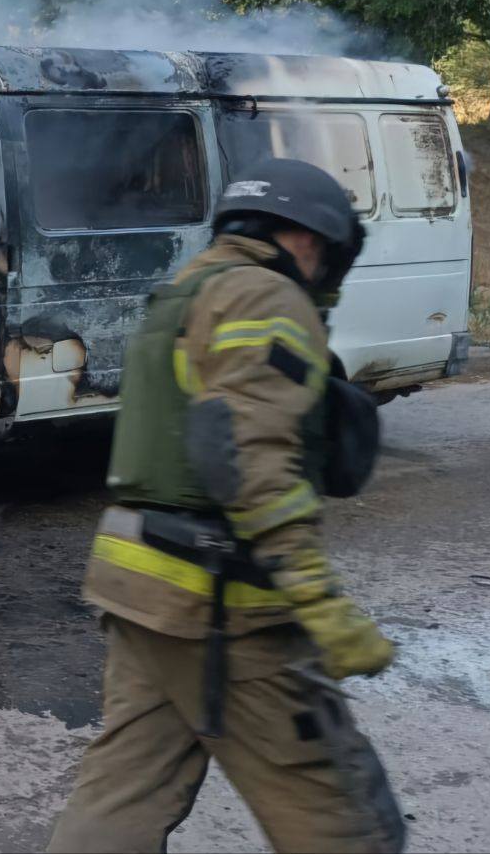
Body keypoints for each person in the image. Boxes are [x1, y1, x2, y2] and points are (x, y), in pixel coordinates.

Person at [49, 159, 405, 854]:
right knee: (338, 808)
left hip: (138, 590)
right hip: (222, 604)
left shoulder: (187, 289)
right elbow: (252, 459)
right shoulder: (268, 298)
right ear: (309, 239)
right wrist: (320, 603)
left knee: (122, 799)